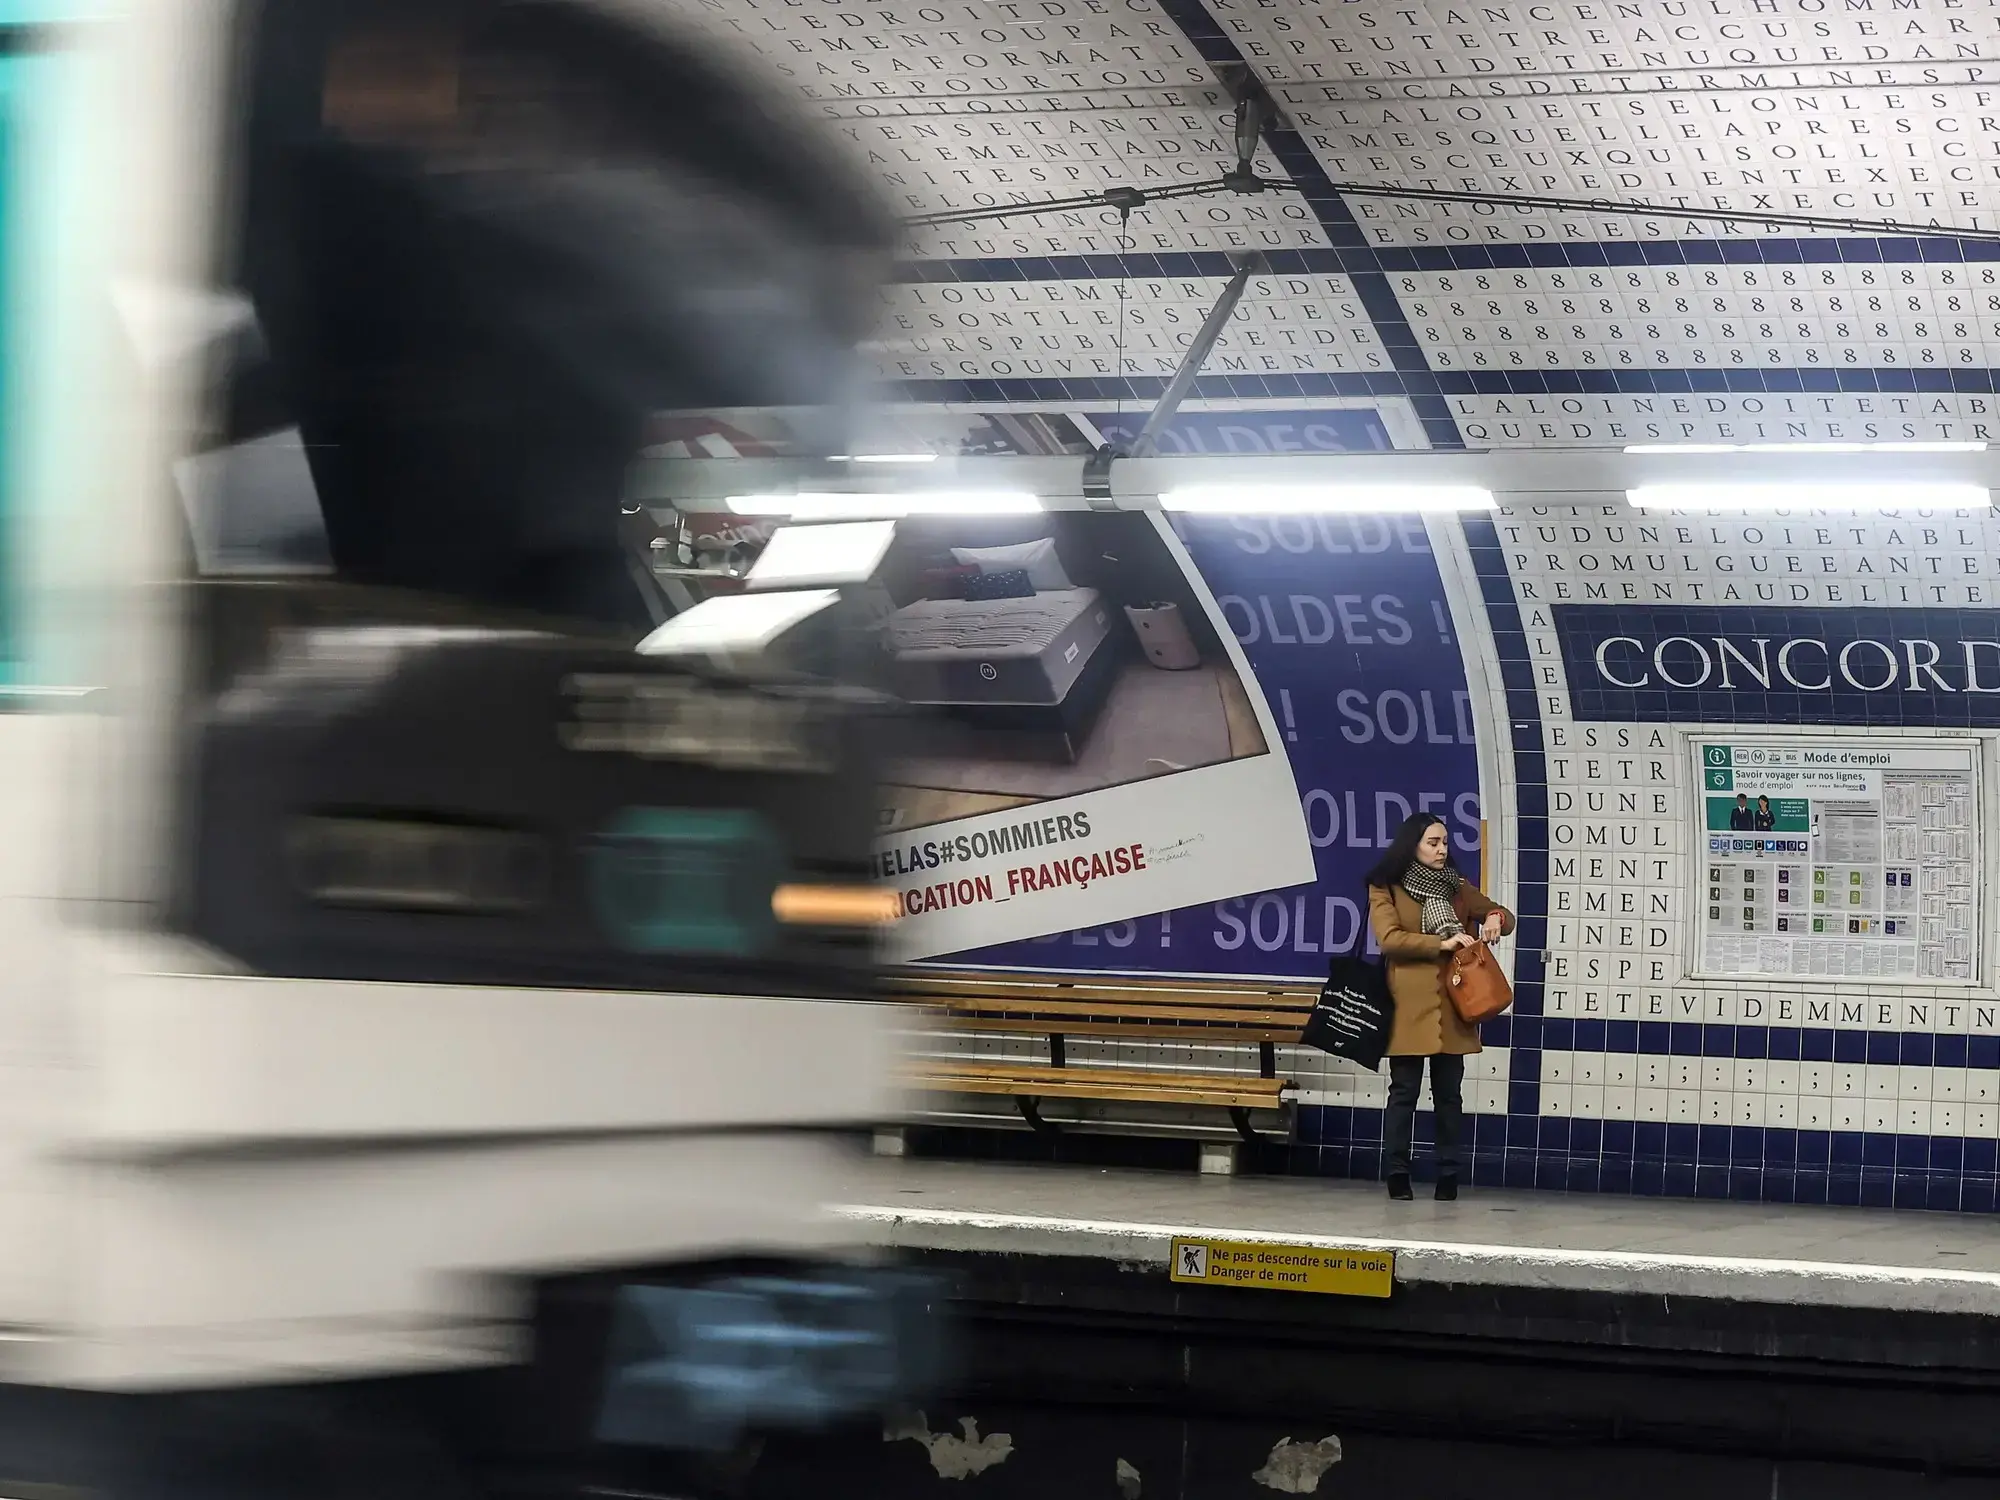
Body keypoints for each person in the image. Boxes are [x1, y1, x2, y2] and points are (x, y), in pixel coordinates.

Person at [1366, 813, 1514, 1202]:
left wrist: (1496, 918)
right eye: (1433, 842)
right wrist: (1442, 944)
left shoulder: (1457, 886)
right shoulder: (1386, 886)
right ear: (1412, 844)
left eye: (1445, 842)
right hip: (1408, 1005)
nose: (1442, 849)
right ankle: (1397, 1174)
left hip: (1454, 1005)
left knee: (1449, 1095)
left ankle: (1448, 1175)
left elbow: (1503, 914)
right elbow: (1391, 939)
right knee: (1404, 1093)